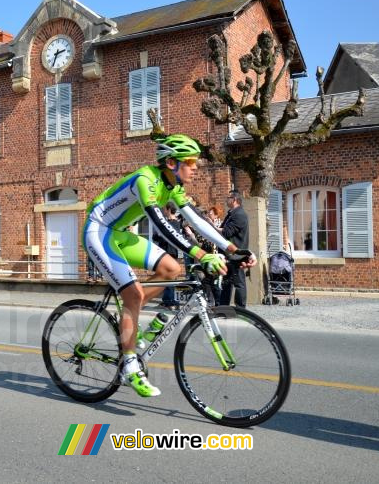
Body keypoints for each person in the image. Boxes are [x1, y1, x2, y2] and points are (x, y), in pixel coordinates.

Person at [83, 134, 256, 397]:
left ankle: (131, 317)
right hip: (98, 231)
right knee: (132, 294)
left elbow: (197, 222)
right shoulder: (146, 180)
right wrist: (200, 254)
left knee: (172, 269)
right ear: (172, 163)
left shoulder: (173, 188)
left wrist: (233, 250)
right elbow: (161, 225)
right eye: (190, 161)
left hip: (119, 232)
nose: (195, 167)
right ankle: (129, 366)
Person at [219, 190, 250, 307]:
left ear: (235, 200)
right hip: (229, 254)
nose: (227, 199)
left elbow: (227, 232)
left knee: (239, 282)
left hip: (237, 254)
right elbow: (223, 229)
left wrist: (212, 226)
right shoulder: (231, 214)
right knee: (226, 282)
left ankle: (241, 308)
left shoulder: (239, 214)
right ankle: (223, 306)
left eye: (229, 197)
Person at [151, 202, 181, 308]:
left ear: (168, 210)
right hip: (168, 251)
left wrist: (158, 235)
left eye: (165, 209)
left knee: (169, 277)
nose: (163, 211)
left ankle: (169, 300)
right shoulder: (172, 223)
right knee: (167, 276)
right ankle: (168, 300)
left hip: (170, 252)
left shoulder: (173, 223)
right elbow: (158, 236)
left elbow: (165, 237)